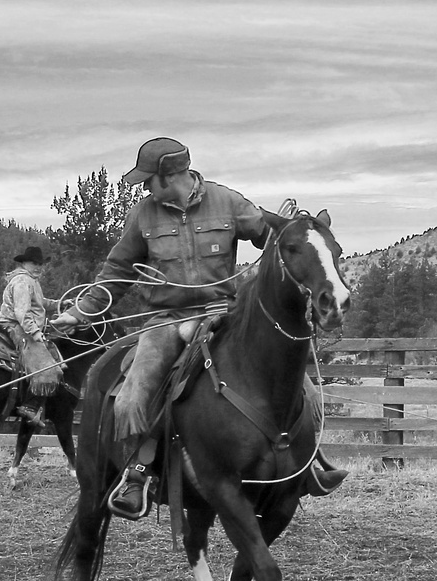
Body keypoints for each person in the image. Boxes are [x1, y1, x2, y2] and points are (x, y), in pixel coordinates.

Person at [52, 137, 272, 518]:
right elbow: (118, 270)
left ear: (170, 175)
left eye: (148, 179)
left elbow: (267, 233)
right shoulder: (143, 215)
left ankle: (306, 460)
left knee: (283, 369)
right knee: (133, 392)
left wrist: (286, 232)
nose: (144, 187)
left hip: (224, 315)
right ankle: (138, 474)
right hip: (166, 320)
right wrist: (80, 312)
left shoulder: (228, 201)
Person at [0, 245, 61, 429]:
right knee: (48, 367)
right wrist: (35, 332)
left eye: (40, 263)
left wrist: (60, 304)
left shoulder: (32, 281)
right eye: (35, 263)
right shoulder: (23, 282)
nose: (39, 267)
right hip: (16, 327)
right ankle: (30, 406)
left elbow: (41, 303)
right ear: (24, 263)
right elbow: (22, 312)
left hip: (22, 325)